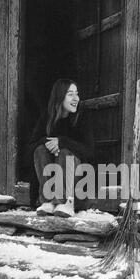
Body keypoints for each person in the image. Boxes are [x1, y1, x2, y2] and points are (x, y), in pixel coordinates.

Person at [28, 78, 94, 218]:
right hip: (49, 189)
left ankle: (65, 202)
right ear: (60, 96)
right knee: (40, 149)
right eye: (70, 94)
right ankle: (48, 201)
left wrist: (62, 142)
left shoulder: (82, 117)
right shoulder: (47, 118)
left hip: (76, 191)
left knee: (65, 153)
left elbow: (90, 152)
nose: (76, 98)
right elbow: (29, 150)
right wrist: (47, 143)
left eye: (77, 94)